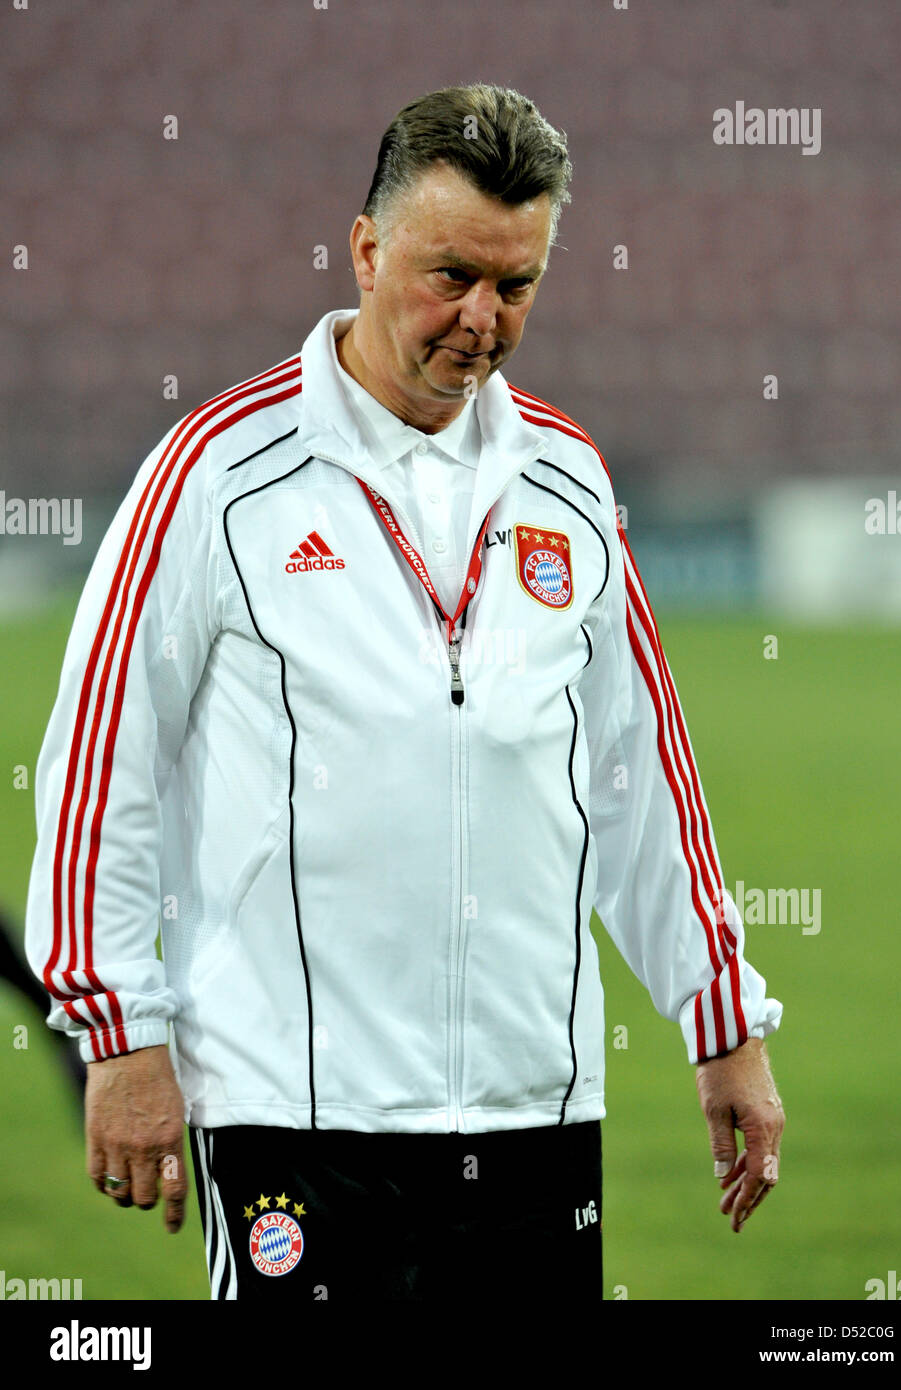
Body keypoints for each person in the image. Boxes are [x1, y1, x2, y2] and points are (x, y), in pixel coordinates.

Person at [25, 83, 784, 1301]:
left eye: (517, 284)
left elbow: (642, 777)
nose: (481, 320)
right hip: (298, 1108)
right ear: (367, 249)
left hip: (535, 1107)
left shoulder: (568, 479)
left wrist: (723, 1023)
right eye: (450, 276)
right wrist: (120, 1034)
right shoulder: (217, 476)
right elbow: (97, 766)